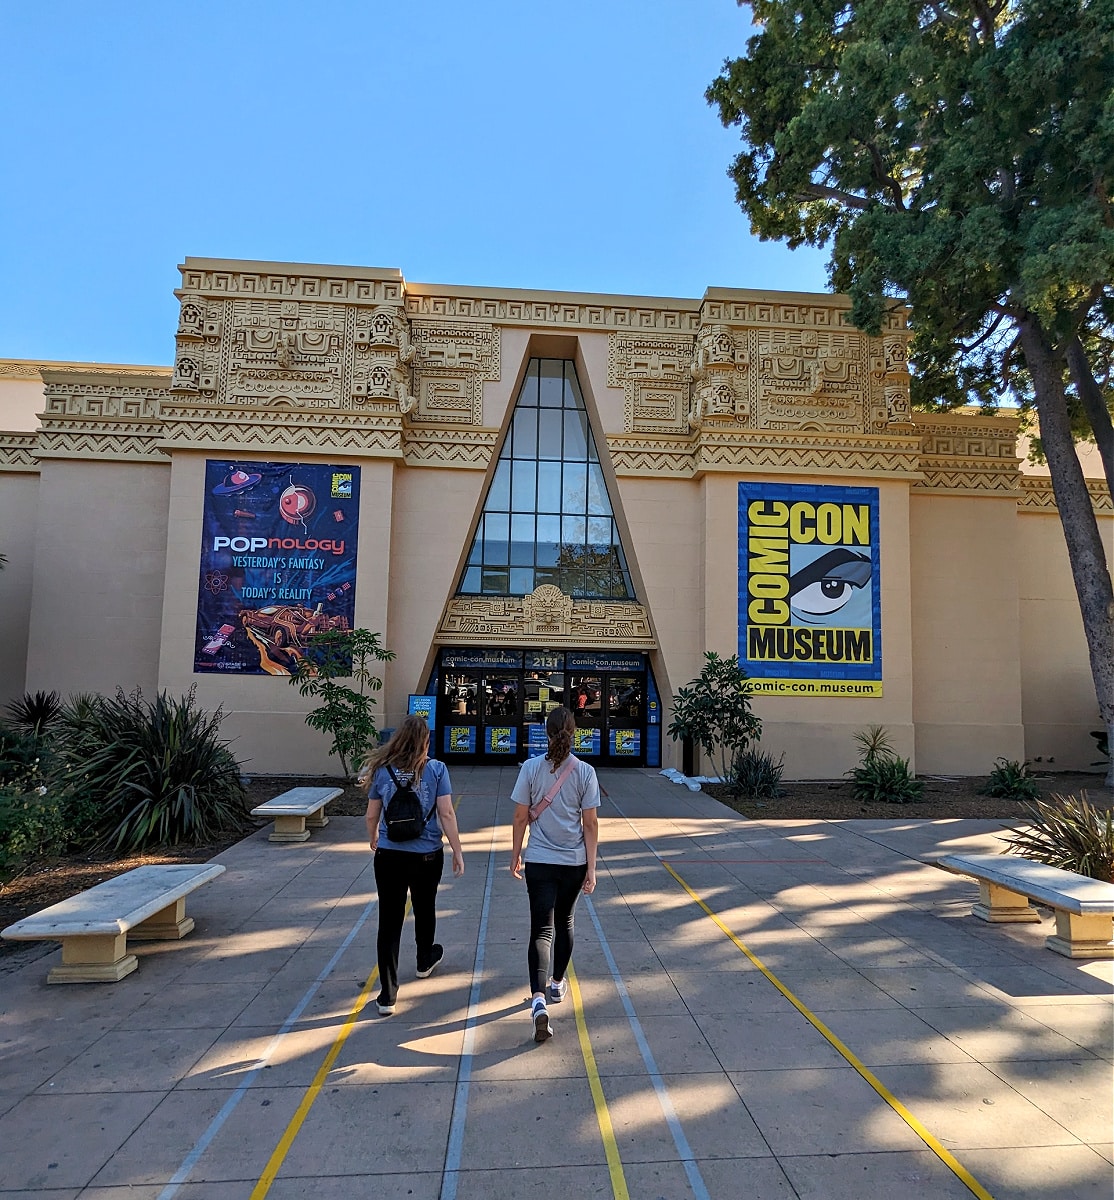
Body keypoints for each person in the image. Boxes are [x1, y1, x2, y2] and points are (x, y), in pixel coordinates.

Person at [363, 715, 465, 1015]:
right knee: (425, 906)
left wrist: (374, 838)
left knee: (389, 920)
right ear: (426, 742)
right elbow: (446, 813)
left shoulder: (382, 770)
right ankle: (424, 959)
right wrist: (458, 851)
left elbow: (371, 814)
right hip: (427, 854)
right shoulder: (436, 769)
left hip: (390, 855)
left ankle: (388, 994)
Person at [510, 705, 599, 1042]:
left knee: (541, 929)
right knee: (565, 923)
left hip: (540, 862)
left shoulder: (531, 769)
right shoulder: (586, 772)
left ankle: (537, 999)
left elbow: (520, 817)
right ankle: (558, 982)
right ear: (573, 734)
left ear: (545, 733)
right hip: (573, 863)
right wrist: (591, 867)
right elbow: (589, 823)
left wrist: (516, 854)